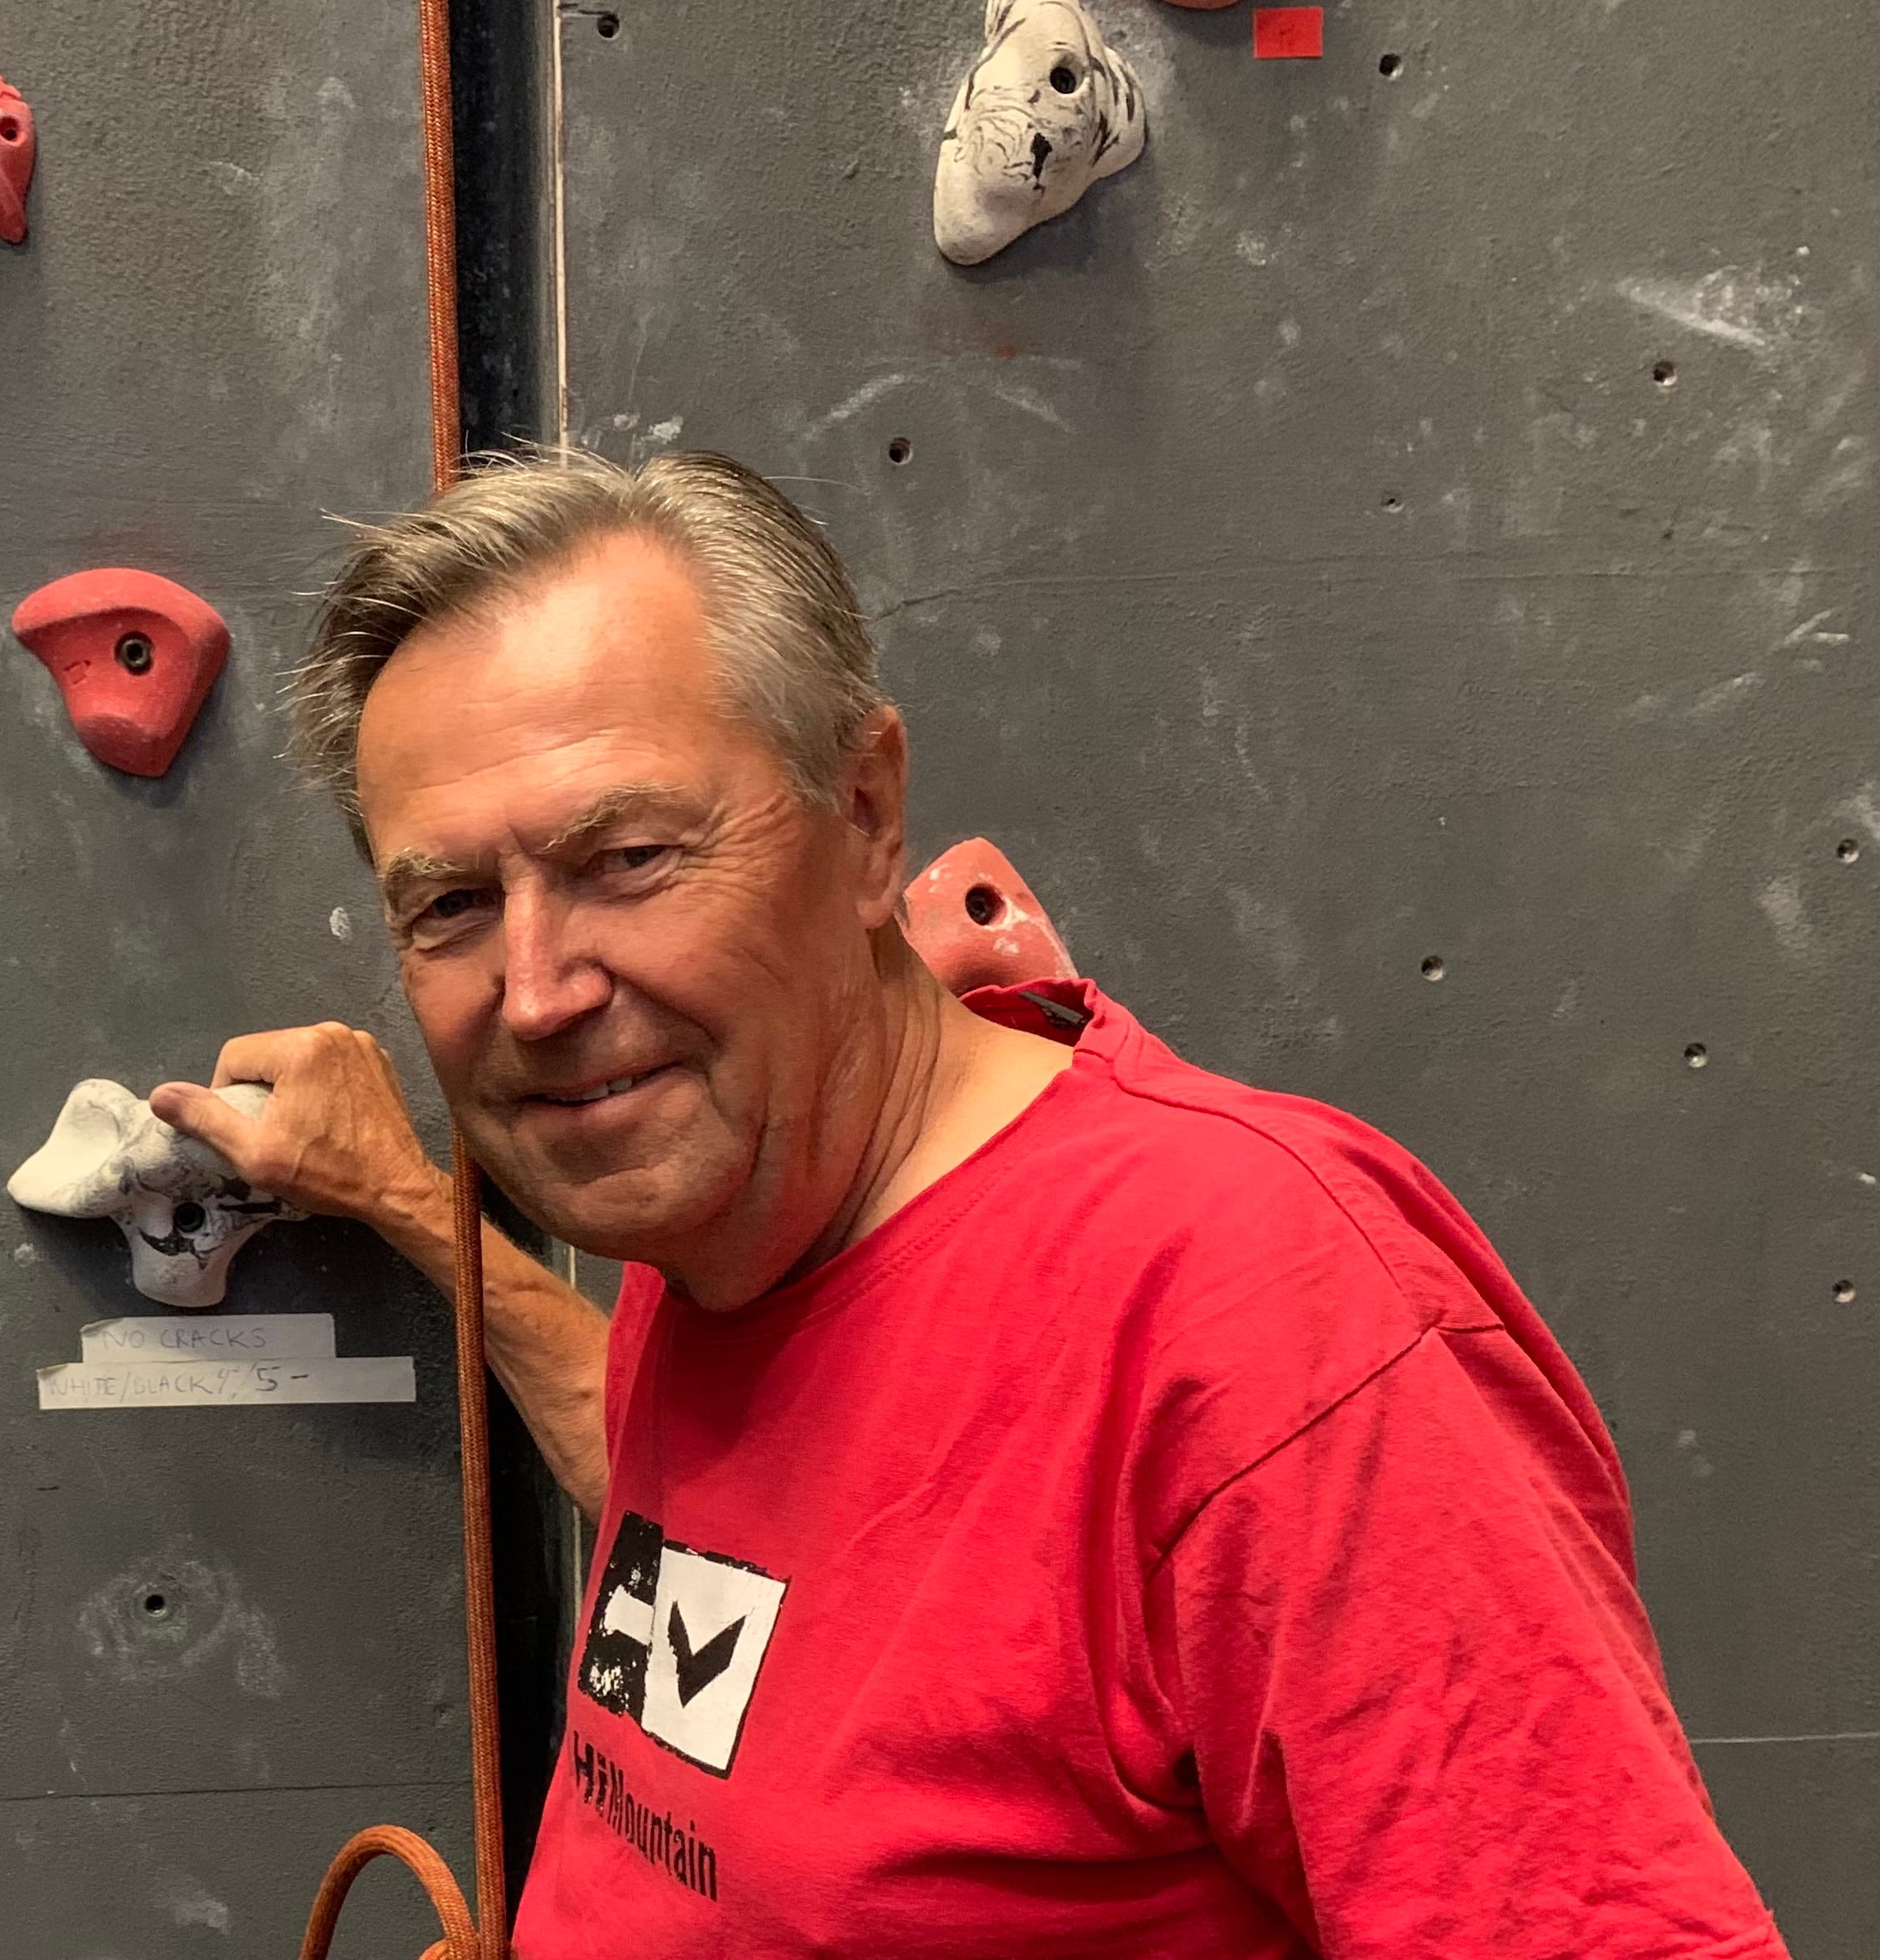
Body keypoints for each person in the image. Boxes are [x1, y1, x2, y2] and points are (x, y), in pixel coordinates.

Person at [151, 451, 1787, 1958]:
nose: (535, 991)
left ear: (865, 817)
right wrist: (407, 1197)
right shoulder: (722, 1206)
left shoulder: (1260, 1324)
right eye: (450, 902)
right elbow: (780, 1544)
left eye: (630, 856)